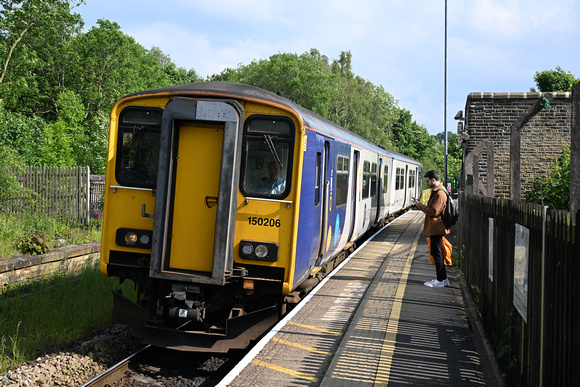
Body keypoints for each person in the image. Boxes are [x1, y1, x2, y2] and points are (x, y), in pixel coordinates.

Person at [413, 170, 451, 288]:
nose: (427, 183)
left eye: (428, 180)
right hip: (436, 227)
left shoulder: (440, 194)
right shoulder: (438, 191)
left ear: (433, 180)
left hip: (437, 227)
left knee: (437, 253)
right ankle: (443, 279)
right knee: (436, 252)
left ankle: (440, 280)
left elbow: (434, 211)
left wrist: (419, 205)